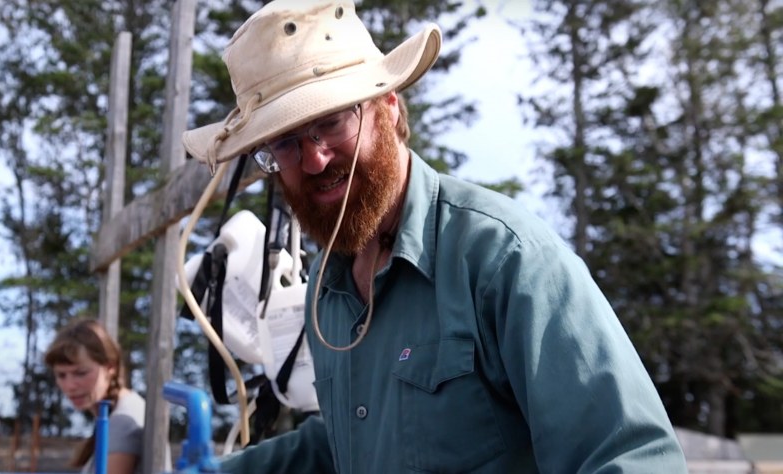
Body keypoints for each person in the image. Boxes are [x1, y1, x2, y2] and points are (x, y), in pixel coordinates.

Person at [181, 1, 688, 472]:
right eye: (286, 143)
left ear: (389, 107)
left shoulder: (503, 259)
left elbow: (632, 457)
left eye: (332, 122)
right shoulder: (326, 291)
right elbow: (352, 439)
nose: (314, 158)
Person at [44, 318, 144, 474]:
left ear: (110, 367)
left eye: (81, 373)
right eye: (61, 375)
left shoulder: (123, 422)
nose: (70, 386)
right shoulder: (115, 414)